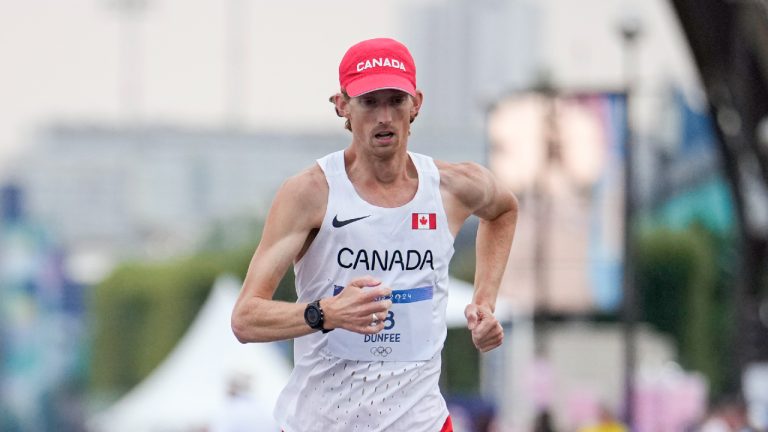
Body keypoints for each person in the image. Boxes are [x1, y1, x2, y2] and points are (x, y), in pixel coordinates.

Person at [231, 37, 518, 432]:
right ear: (342, 105)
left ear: (415, 103)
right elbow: (246, 319)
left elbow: (503, 209)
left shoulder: (452, 186)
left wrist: (484, 302)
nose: (384, 116)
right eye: (369, 102)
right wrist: (326, 314)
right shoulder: (311, 193)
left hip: (423, 422)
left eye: (395, 100)